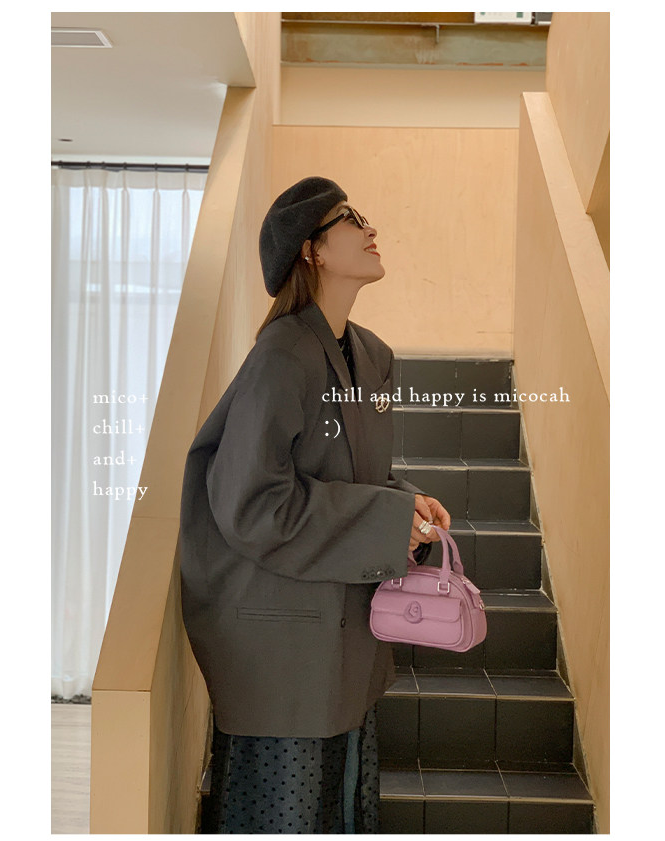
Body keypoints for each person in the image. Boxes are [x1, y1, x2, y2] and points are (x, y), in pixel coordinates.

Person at [179, 176, 451, 833]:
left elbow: (351, 476)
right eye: (350, 218)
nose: (370, 227)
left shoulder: (371, 356)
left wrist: (408, 502)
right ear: (313, 250)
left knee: (337, 804)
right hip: (282, 638)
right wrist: (385, 520)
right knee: (286, 813)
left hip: (340, 629)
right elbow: (252, 502)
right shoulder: (280, 357)